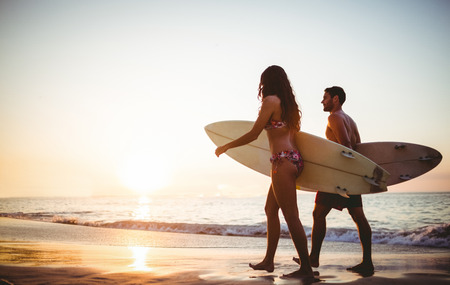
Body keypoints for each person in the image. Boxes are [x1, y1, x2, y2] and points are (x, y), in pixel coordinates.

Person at [215, 65, 314, 278]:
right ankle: (269, 261)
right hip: (294, 160)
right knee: (270, 209)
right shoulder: (290, 105)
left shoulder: (270, 102)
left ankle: (306, 268)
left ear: (266, 82)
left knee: (291, 216)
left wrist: (226, 146)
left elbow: (253, 134)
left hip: (282, 162)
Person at [310, 86, 374, 274]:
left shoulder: (334, 117)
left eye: (325, 97)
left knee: (318, 214)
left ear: (335, 99)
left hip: (338, 176)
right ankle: (367, 262)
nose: (322, 101)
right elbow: (359, 148)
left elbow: (346, 146)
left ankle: (313, 258)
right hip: (350, 174)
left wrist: (337, 173)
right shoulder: (350, 120)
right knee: (358, 217)